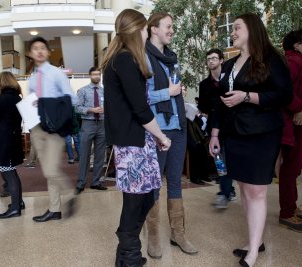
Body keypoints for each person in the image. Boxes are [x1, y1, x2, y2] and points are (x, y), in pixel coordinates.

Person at [208, 13, 293, 267]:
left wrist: (248, 97)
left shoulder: (270, 59)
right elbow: (219, 103)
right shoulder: (231, 63)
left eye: (236, 27)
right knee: (244, 188)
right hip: (234, 132)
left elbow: (284, 95)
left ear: (252, 29)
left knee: (256, 190)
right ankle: (255, 241)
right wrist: (214, 134)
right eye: (232, 28)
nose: (232, 32)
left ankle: (254, 251)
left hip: (262, 133)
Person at [101, 9, 171, 266]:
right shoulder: (125, 59)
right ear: (135, 31)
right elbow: (140, 108)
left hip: (136, 141)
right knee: (136, 200)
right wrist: (162, 136)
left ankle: (125, 251)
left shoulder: (121, 59)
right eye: (144, 29)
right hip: (133, 142)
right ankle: (129, 254)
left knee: (147, 195)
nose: (146, 34)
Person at [144, 12, 197, 257]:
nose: (172, 30)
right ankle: (153, 237)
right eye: (169, 26)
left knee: (176, 182)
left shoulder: (170, 59)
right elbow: (140, 97)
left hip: (178, 128)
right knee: (155, 183)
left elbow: (171, 89)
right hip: (158, 129)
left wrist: (177, 91)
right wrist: (168, 92)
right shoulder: (142, 57)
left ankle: (178, 233)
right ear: (153, 29)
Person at [27, 36, 78, 223]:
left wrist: (54, 108)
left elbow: (72, 98)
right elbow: (32, 102)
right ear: (31, 54)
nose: (39, 51)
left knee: (50, 171)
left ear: (48, 52)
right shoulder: (32, 79)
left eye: (43, 48)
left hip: (55, 129)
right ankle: (54, 209)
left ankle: (71, 194)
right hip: (38, 128)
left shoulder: (57, 73)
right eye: (35, 48)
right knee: (49, 171)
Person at [199, 48, 236, 208]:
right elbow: (203, 106)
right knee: (219, 160)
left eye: (214, 58)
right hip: (214, 128)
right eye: (209, 59)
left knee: (231, 160)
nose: (211, 61)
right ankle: (224, 191)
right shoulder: (204, 84)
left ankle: (228, 189)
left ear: (221, 60)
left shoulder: (230, 79)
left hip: (232, 126)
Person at [0, 72, 25, 219]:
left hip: (4, 140)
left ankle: (15, 208)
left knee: (8, 174)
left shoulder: (3, 98)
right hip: (14, 138)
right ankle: (19, 202)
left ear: (0, 83)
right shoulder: (17, 97)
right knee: (12, 173)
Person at [278, 29, 302, 232]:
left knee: (292, 167)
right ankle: (287, 211)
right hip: (293, 123)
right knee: (291, 168)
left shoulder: (294, 59)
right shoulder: (294, 60)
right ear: (297, 44)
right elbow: (282, 90)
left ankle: (291, 208)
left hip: (294, 122)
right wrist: (299, 108)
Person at [75, 67, 107, 194]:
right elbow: (77, 108)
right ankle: (81, 183)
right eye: (94, 74)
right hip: (87, 124)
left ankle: (96, 182)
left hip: (102, 124)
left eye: (98, 74)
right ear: (90, 76)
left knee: (100, 155)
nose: (96, 76)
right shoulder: (82, 91)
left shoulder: (105, 91)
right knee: (84, 155)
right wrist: (91, 110)